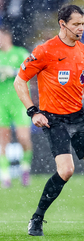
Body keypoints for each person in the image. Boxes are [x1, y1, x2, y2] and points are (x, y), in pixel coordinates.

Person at [13, 4, 84, 236]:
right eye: (76, 24)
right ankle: (36, 218)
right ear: (62, 24)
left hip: (79, 117)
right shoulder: (45, 50)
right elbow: (19, 81)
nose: (81, 28)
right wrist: (33, 111)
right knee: (66, 171)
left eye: (83, 24)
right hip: (54, 119)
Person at [0, 26, 32, 188]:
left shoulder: (20, 53)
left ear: (8, 37)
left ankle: (25, 169)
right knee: (3, 140)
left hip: (19, 101)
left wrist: (13, 72)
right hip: (1, 103)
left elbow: (32, 70)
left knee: (23, 138)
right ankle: (5, 176)